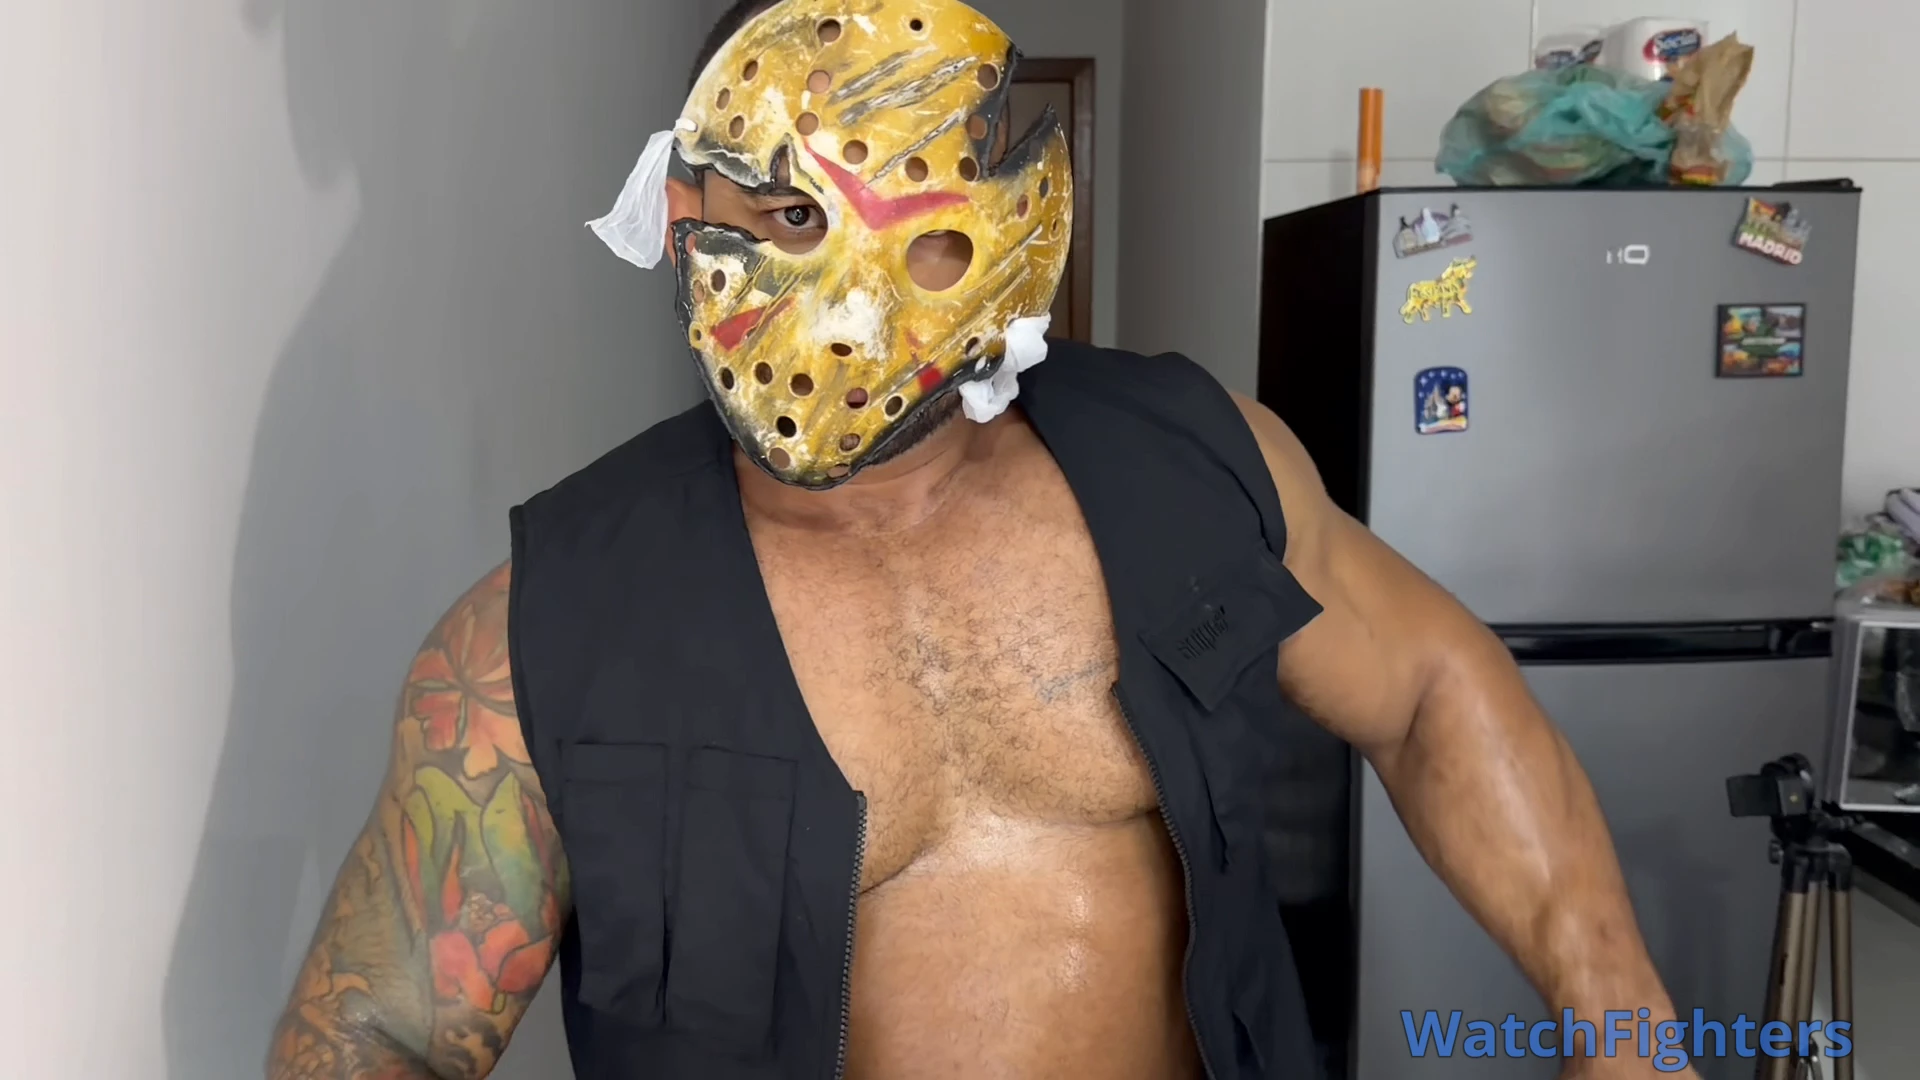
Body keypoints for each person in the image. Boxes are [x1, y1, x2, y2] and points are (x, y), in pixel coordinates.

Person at [268, 1, 1697, 1078]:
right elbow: (382, 1035)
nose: (849, 287)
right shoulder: (539, 642)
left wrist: (1624, 1024)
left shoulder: (1197, 459)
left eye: (910, 212)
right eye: (783, 212)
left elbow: (1433, 686)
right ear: (686, 212)